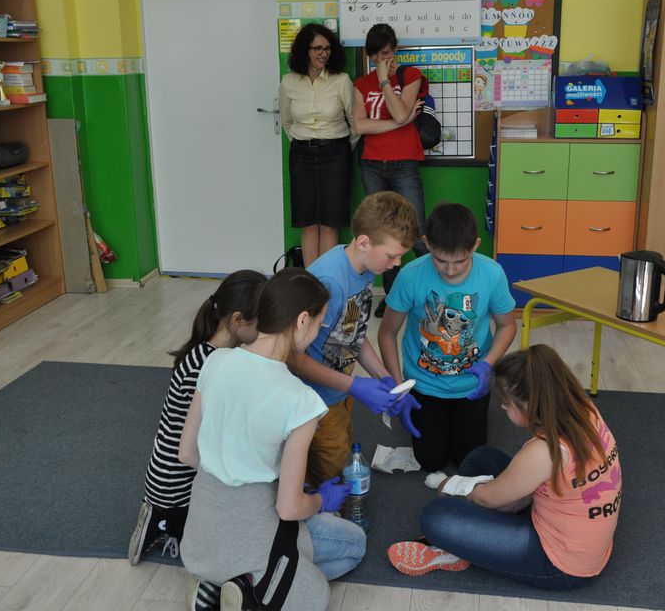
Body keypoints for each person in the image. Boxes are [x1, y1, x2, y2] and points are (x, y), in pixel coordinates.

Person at [179, 268, 367, 611]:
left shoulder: (216, 360)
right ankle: (248, 588)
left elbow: (187, 453)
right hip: (256, 532)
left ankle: (214, 585)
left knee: (302, 546)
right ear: (302, 321)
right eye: (320, 324)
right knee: (353, 546)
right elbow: (288, 508)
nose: (318, 333)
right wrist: (321, 499)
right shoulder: (301, 399)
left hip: (201, 536)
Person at [387, 344, 622, 590]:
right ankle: (470, 537)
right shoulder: (583, 408)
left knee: (436, 517)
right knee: (482, 458)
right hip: (581, 539)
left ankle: (452, 548)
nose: (502, 407)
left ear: (528, 405)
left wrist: (450, 486)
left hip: (560, 564)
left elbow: (498, 501)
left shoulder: (543, 452)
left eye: (506, 403)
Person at [129, 269, 268, 565]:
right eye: (262, 322)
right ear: (238, 320)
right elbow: (191, 451)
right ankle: (164, 523)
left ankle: (166, 518)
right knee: (236, 527)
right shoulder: (209, 367)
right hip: (177, 485)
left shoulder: (202, 351)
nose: (266, 331)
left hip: (163, 475)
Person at [288, 191, 423, 487]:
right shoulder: (329, 282)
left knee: (339, 455)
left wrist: (387, 379)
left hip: (337, 391)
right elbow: (292, 357)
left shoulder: (364, 268)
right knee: (326, 475)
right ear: (363, 242)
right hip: (313, 400)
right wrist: (354, 385)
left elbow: (352, 333)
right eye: (392, 255)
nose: (397, 263)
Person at [377, 202, 516, 472]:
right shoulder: (410, 276)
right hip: (424, 383)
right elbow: (387, 332)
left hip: (471, 385)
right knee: (430, 461)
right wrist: (398, 387)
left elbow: (507, 326)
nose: (450, 270)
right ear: (427, 243)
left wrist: (488, 365)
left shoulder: (492, 274)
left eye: (460, 262)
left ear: (475, 246)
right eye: (441, 261)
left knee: (469, 460)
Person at [353, 23, 428, 318]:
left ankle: (428, 295)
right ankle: (393, 297)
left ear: (395, 50)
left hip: (404, 162)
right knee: (382, 232)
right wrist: (400, 123)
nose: (381, 59)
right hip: (372, 164)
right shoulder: (361, 84)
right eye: (376, 55)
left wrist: (385, 81)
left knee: (417, 232)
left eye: (386, 53)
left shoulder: (410, 76)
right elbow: (360, 125)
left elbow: (399, 110)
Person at [279, 24, 355, 267]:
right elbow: (287, 121)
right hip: (301, 154)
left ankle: (327, 280)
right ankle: (310, 280)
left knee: (330, 223)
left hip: (336, 153)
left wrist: (340, 147)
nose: (324, 53)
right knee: (308, 222)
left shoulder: (341, 81)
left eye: (328, 48)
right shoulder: (289, 82)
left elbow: (355, 122)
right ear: (305, 50)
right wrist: (304, 140)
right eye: (318, 49)